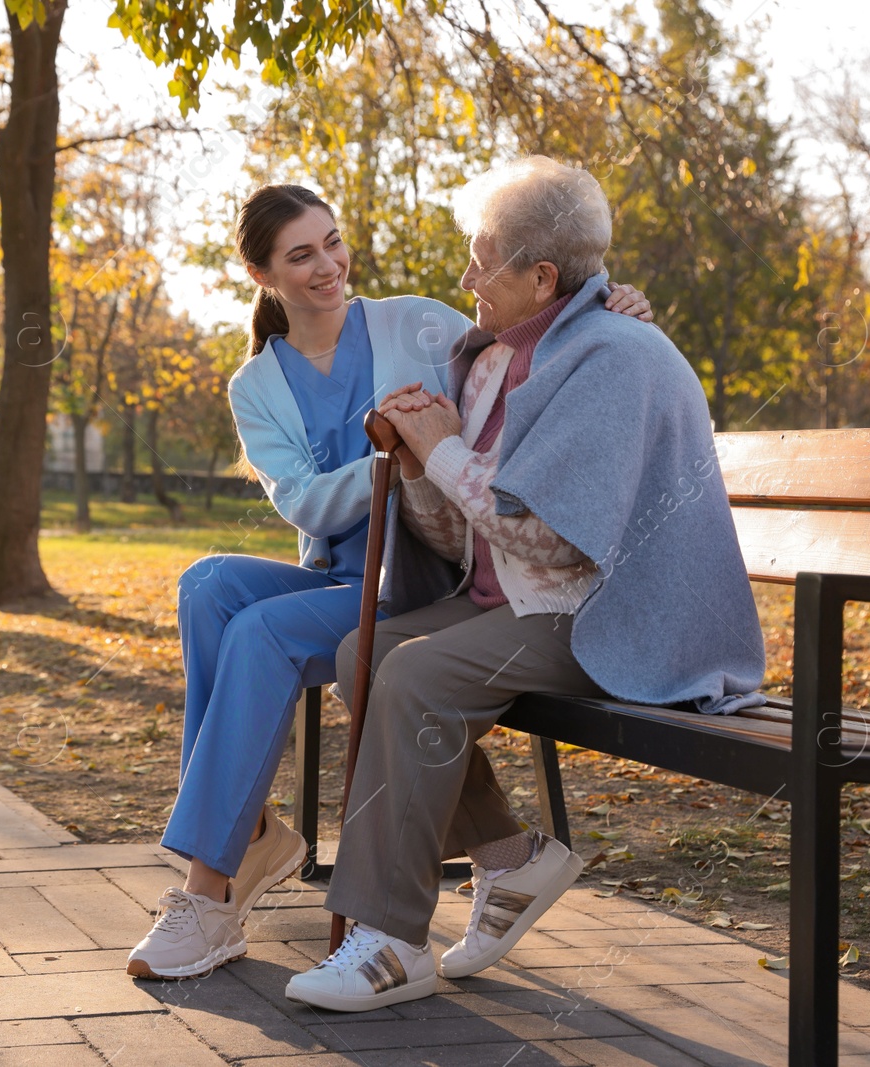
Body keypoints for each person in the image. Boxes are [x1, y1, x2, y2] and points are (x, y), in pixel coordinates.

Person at [125, 182, 654, 981]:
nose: (329, 265)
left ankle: (208, 892)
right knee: (208, 587)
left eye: (333, 242)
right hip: (341, 579)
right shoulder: (256, 386)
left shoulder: (414, 320)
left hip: (426, 572)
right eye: (301, 255)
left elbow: (516, 330)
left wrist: (604, 300)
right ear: (262, 274)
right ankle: (255, 832)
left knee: (260, 633)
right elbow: (300, 500)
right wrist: (389, 452)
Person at [282, 156, 767, 1012]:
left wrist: (442, 452)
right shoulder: (492, 360)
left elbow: (555, 545)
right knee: (364, 650)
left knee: (418, 676)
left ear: (543, 276)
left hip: (606, 613)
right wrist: (418, 459)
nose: (467, 277)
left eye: (484, 259)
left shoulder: (616, 357)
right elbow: (459, 531)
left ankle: (392, 941)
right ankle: (510, 858)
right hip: (512, 595)